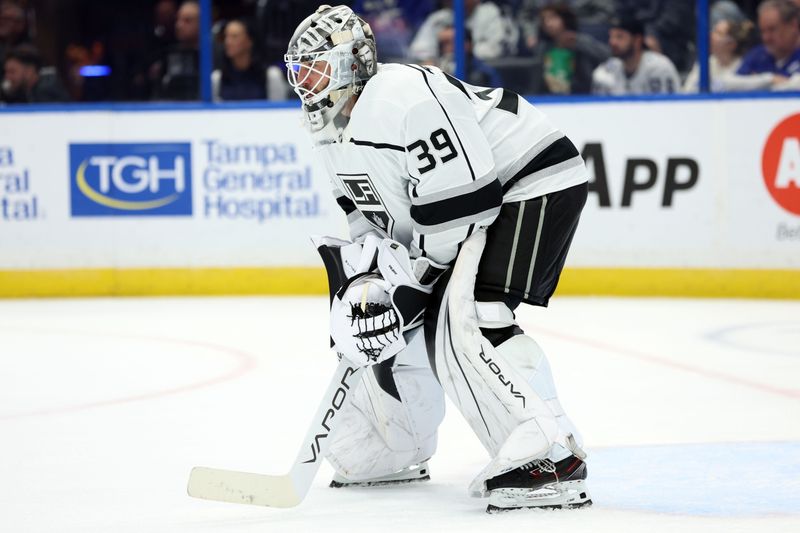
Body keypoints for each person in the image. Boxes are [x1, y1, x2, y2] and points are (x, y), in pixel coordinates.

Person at [284, 4, 590, 513]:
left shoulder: (401, 96)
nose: (303, 79)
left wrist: (409, 284)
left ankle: (550, 452)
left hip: (530, 183)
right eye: (298, 68)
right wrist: (371, 283)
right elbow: (369, 217)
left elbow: (466, 209)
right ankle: (395, 445)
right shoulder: (327, 128)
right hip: (462, 215)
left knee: (470, 315)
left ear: (351, 61)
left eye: (314, 64)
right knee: (384, 325)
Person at [532, 2, 610, 95]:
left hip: (581, 96)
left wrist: (579, 42)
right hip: (549, 98)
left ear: (564, 18)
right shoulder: (543, 47)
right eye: (544, 19)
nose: (548, 23)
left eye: (552, 18)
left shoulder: (580, 40)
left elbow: (607, 56)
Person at [591, 15, 680, 95]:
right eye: (611, 36)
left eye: (620, 37)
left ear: (638, 40)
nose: (612, 42)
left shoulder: (659, 69)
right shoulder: (605, 71)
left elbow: (666, 109)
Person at [408, 0, 517, 64]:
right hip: (444, 80)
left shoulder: (492, 12)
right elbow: (417, 51)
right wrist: (436, 52)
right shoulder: (439, 18)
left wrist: (467, 48)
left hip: (487, 80)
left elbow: (502, 49)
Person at [727, 0, 800, 91]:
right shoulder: (758, 54)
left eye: (772, 29)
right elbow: (728, 83)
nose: (766, 38)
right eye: (763, 31)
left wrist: (753, 82)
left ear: (793, 25)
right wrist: (769, 79)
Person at [682, 17, 756, 93]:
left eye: (718, 33)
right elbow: (688, 90)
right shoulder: (706, 63)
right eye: (713, 31)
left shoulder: (744, 65)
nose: (711, 36)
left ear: (732, 44)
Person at [154, 0, 200, 100]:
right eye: (178, 19)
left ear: (202, 23)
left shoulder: (214, 54)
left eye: (187, 21)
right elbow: (159, 93)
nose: (179, 25)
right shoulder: (169, 54)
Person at [1, 43, 68, 103]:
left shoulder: (46, 92)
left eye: (12, 72)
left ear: (29, 71)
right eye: (6, 72)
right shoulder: (25, 91)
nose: (7, 77)